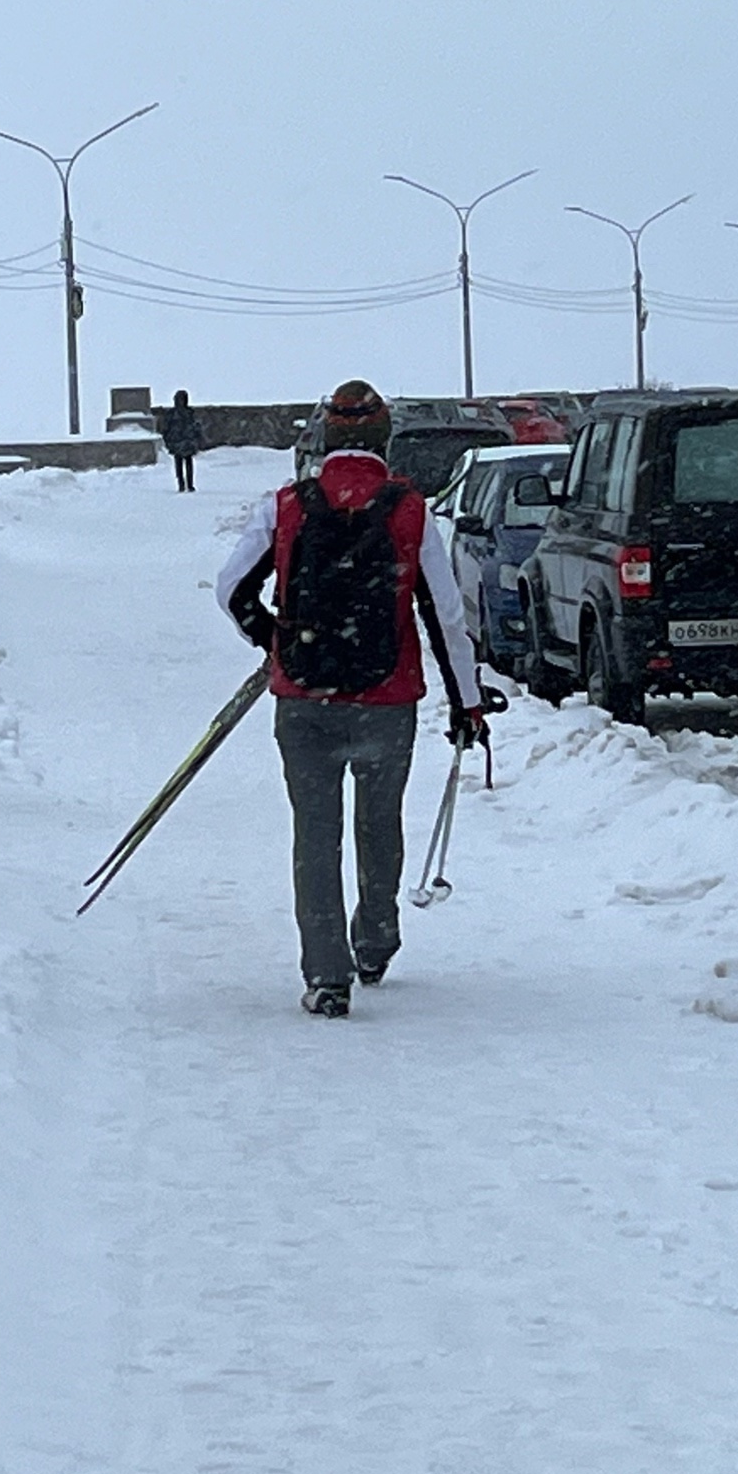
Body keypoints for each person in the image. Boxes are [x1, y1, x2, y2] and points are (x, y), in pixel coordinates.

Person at [217, 380, 487, 1018]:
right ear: (384, 441)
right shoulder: (409, 511)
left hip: (304, 698)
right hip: (386, 699)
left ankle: (326, 976)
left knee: (315, 836)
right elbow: (445, 614)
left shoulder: (288, 505)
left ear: (324, 440)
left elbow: (231, 588)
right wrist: (466, 702)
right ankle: (375, 942)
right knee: (378, 824)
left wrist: (275, 641)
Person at [160, 389, 205, 492]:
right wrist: (168, 439)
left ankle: (190, 484)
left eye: (183, 399)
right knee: (179, 464)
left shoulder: (190, 413)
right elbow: (166, 428)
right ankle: (181, 484)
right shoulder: (172, 414)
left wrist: (196, 437)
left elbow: (196, 426)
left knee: (188, 463)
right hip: (177, 442)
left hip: (187, 442)